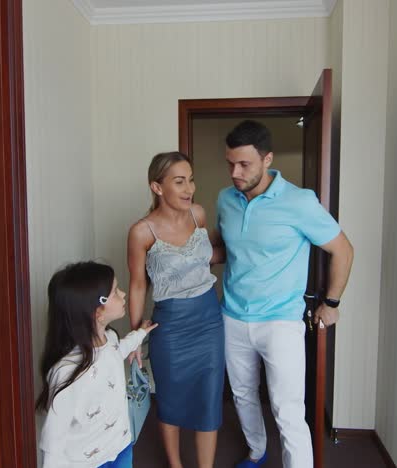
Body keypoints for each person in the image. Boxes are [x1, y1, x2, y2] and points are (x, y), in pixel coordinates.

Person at [213, 120, 354, 468]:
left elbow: (343, 250)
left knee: (288, 410)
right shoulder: (225, 199)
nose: (235, 172)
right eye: (230, 163)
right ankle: (257, 452)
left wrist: (331, 302)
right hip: (232, 315)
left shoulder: (300, 202)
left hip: (280, 321)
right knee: (243, 395)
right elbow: (225, 247)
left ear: (267, 159)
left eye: (244, 164)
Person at [127, 152, 225, 468]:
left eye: (191, 180)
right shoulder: (142, 231)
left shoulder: (199, 215)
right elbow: (138, 285)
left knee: (209, 398)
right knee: (170, 399)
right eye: (179, 181)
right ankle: (176, 465)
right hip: (169, 325)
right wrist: (135, 337)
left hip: (209, 319)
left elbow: (208, 255)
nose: (189, 189)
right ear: (157, 187)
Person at [36, 261, 157, 468]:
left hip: (120, 446)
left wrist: (140, 334)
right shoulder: (67, 372)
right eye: (115, 292)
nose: (123, 294)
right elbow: (53, 441)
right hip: (87, 462)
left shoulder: (109, 339)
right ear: (97, 312)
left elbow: (118, 351)